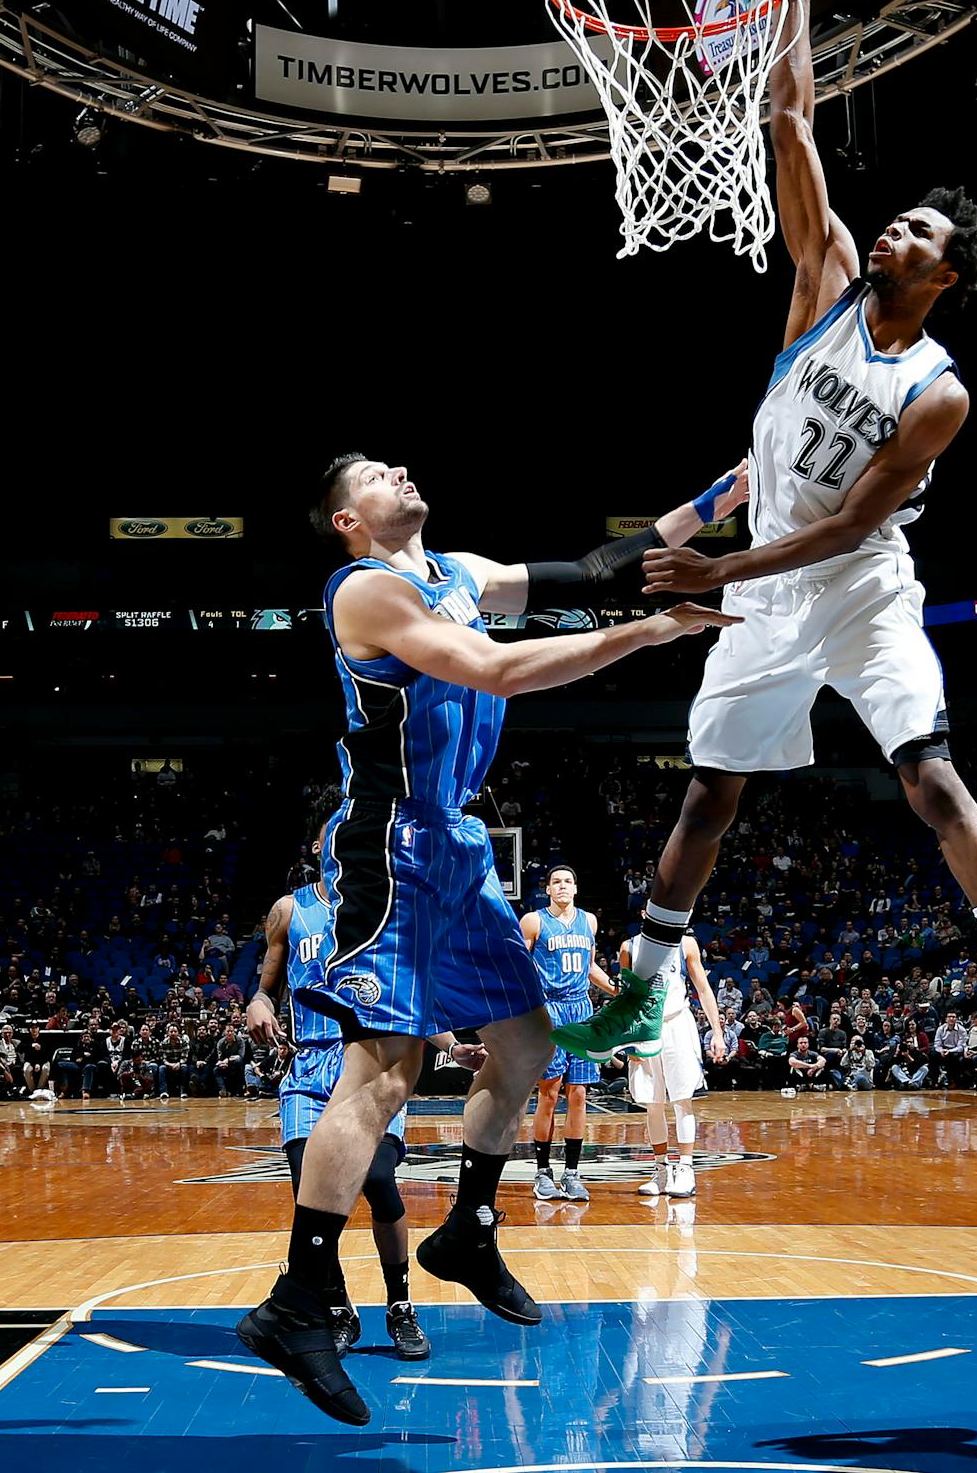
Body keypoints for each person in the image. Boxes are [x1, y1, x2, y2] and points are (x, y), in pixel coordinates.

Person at [547, 0, 977, 1104]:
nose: (893, 230)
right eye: (896, 220)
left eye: (919, 234)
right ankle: (640, 992)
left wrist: (715, 566)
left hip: (860, 587)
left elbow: (847, 523)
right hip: (765, 594)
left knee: (930, 777)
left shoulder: (938, 394)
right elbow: (790, 121)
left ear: (947, 279)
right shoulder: (824, 283)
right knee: (705, 801)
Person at [233, 455, 743, 1426]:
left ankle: (469, 1224)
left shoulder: (459, 570)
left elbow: (601, 566)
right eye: (378, 471)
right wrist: (659, 630)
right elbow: (499, 667)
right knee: (383, 1071)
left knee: (529, 1044)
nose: (402, 468)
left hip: (460, 842)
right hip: (394, 842)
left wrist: (727, 498)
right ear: (347, 519)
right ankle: (297, 1300)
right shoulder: (366, 594)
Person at [247, 798, 484, 1366]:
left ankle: (400, 1305)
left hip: (375, 1066)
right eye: (337, 833)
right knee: (312, 1190)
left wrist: (453, 1045)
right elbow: (267, 984)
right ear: (318, 847)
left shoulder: (385, 912)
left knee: (378, 1180)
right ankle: (335, 1308)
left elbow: (412, 1001)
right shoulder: (289, 910)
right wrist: (257, 1002)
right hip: (310, 1068)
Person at [523, 865, 616, 1202]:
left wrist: (616, 990)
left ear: (575, 888)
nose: (562, 887)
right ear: (547, 889)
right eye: (556, 882)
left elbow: (590, 967)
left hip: (581, 1010)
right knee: (549, 1093)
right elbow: (519, 968)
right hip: (549, 1011)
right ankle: (542, 1172)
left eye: (567, 882)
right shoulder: (534, 921)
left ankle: (573, 1173)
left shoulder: (588, 921)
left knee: (579, 1095)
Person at [621, 930, 725, 1199]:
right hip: (645, 1027)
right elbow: (626, 998)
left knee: (682, 1100)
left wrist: (717, 1031)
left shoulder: (686, 943)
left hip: (678, 1023)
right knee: (652, 1103)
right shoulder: (629, 947)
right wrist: (627, 1038)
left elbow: (703, 987)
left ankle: (686, 1169)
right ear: (646, 914)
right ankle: (661, 1170)